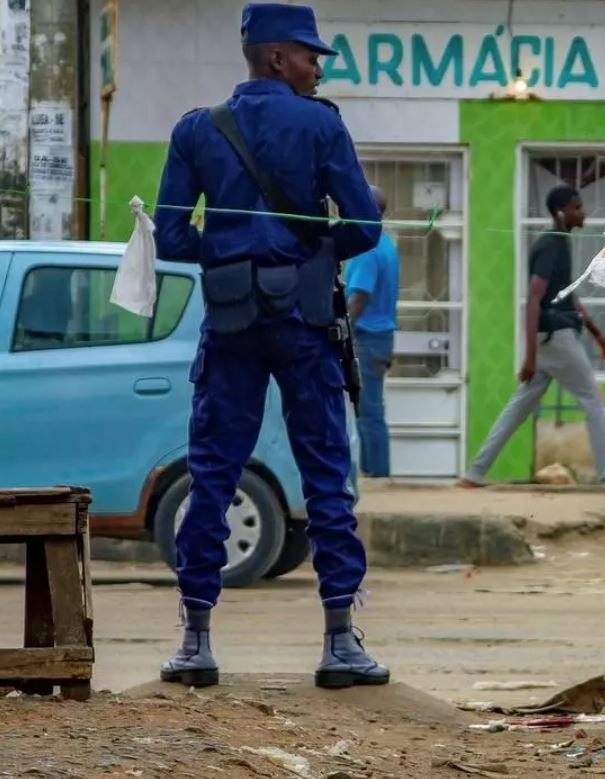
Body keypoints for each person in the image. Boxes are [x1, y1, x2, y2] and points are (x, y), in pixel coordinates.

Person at [153, 2, 388, 689]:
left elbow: (171, 238)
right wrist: (312, 251)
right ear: (276, 57)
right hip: (305, 319)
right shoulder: (321, 123)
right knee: (325, 473)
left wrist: (226, 258)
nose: (318, 66)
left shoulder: (196, 130)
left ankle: (195, 641)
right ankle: (340, 644)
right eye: (310, 54)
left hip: (230, 323)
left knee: (213, 473)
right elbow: (365, 226)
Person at [461, 185, 605, 487]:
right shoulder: (552, 245)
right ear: (561, 212)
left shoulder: (560, 242)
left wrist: (598, 335)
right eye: (577, 207)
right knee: (594, 402)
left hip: (549, 340)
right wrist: (529, 356)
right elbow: (533, 300)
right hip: (555, 338)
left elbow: (568, 296)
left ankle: (475, 472)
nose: (582, 213)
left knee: (518, 407)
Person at [345, 185, 400, 478]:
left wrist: (339, 330)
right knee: (371, 411)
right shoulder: (386, 244)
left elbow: (359, 299)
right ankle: (376, 473)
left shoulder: (367, 248)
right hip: (381, 339)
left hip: (366, 340)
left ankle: (377, 477)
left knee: (368, 414)